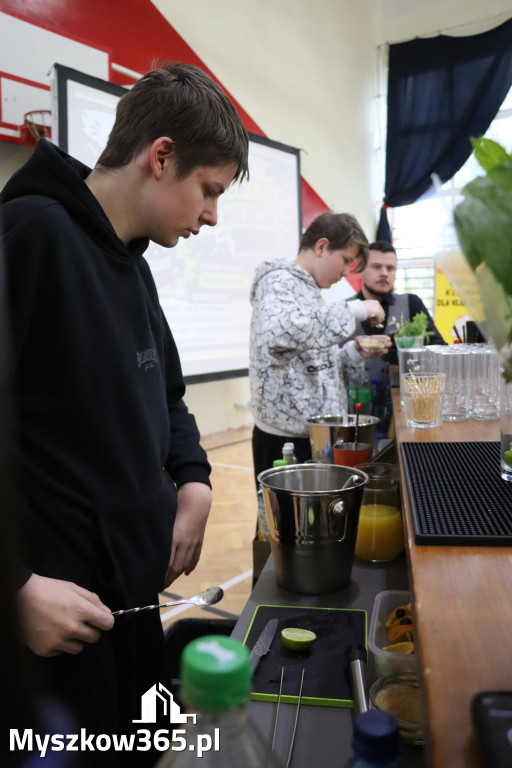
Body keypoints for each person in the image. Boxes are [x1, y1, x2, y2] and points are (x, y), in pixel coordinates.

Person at [1, 61, 249, 766]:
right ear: (161, 157)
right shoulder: (29, 235)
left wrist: (194, 479)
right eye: (209, 190)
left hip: (130, 604)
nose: (211, 215)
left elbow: (166, 392)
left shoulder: (133, 265)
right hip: (56, 620)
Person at [249, 212, 389, 484]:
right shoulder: (277, 282)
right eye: (346, 260)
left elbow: (313, 363)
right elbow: (279, 333)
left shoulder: (308, 289)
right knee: (286, 514)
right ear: (322, 246)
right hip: (286, 441)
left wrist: (355, 352)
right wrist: (355, 308)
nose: (346, 272)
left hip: (313, 437)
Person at [348, 240, 446, 437]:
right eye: (377, 267)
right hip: (355, 412)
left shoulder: (411, 304)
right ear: (360, 269)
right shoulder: (345, 310)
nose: (384, 273)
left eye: (390, 268)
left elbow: (441, 350)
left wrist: (410, 355)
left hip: (404, 413)